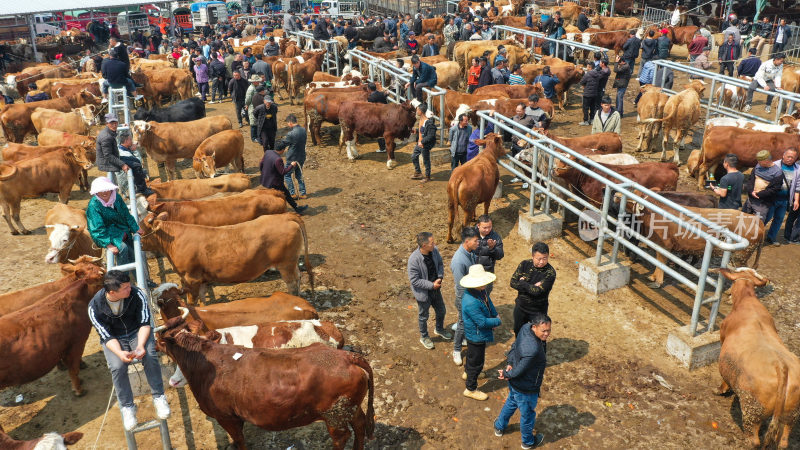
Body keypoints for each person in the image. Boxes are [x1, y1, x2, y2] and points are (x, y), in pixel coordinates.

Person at [88, 270, 170, 432]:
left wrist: (140, 346)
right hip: (114, 339)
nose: (130, 289)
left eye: (129, 285)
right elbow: (105, 336)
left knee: (150, 355)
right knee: (117, 366)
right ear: (112, 292)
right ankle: (127, 407)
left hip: (136, 332)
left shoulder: (137, 294)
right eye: (125, 288)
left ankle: (159, 396)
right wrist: (119, 353)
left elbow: (145, 323)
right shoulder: (94, 307)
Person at [494, 313, 551, 449]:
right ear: (535, 327)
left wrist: (510, 362)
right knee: (528, 415)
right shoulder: (533, 349)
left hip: (515, 385)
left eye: (549, 330)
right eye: (544, 331)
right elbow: (519, 370)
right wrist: (508, 373)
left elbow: (515, 346)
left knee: (511, 402)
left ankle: (499, 426)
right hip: (526, 388)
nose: (547, 334)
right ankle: (527, 442)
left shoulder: (525, 328)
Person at [460, 264, 500, 401]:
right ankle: (470, 388)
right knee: (477, 362)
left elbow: (489, 302)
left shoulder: (479, 291)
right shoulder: (471, 302)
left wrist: (495, 315)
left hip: (475, 334)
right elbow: (482, 322)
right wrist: (497, 322)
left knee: (472, 356)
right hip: (476, 335)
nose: (484, 284)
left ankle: (467, 372)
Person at [407, 232, 453, 350]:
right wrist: (431, 285)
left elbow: (440, 264)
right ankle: (424, 337)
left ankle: (439, 329)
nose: (435, 244)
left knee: (441, 310)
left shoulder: (435, 251)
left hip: (436, 290)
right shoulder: (414, 260)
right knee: (423, 316)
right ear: (423, 245)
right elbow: (415, 280)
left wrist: (440, 276)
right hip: (424, 293)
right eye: (432, 243)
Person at [86, 177, 141, 268]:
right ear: (96, 192)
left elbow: (126, 213)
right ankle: (121, 278)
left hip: (123, 229)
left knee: (133, 252)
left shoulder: (116, 197)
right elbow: (96, 229)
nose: (104, 192)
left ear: (111, 189)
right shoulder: (94, 206)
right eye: (101, 190)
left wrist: (135, 227)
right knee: (123, 248)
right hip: (108, 233)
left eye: (107, 189)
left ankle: (140, 277)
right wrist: (108, 244)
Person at [510, 242, 556, 336]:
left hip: (538, 311)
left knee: (539, 335)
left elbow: (537, 292)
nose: (542, 262)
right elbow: (513, 282)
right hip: (521, 307)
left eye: (545, 258)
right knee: (518, 332)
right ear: (533, 256)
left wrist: (523, 283)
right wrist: (532, 287)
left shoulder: (550, 273)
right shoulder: (524, 264)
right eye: (539, 259)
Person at [450, 226, 480, 366]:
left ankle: (463, 338)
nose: (478, 243)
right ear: (467, 241)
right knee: (462, 322)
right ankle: (456, 350)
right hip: (464, 296)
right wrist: (467, 301)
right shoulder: (458, 260)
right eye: (475, 241)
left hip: (471, 293)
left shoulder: (470, 252)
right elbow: (460, 284)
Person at [259, 142, 308, 214]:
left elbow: (261, 163)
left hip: (265, 179)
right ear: (282, 150)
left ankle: (296, 208)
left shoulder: (268, 152)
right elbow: (283, 172)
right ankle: (297, 208)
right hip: (275, 182)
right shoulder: (278, 159)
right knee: (286, 194)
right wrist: (292, 165)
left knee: (273, 195)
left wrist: (263, 172)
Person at [764, 148, 799, 245]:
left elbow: (797, 186)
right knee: (765, 218)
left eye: (793, 157)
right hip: (772, 198)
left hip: (784, 200)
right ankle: (755, 236)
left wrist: (796, 200)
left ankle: (771, 237)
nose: (790, 159)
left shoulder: (798, 169)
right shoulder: (774, 165)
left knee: (779, 219)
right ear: (783, 155)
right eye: (788, 156)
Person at [743, 150, 785, 224]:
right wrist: (751, 191)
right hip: (750, 199)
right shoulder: (757, 166)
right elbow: (751, 180)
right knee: (743, 220)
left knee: (758, 224)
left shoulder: (777, 172)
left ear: (767, 161)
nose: (758, 163)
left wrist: (759, 194)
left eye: (760, 161)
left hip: (762, 203)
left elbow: (774, 189)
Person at [276, 114, 307, 200]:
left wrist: (279, 142)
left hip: (292, 157)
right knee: (299, 174)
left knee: (287, 175)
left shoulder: (291, 134)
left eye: (287, 123)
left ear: (290, 123)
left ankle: (292, 193)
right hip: (302, 156)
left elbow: (284, 144)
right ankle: (303, 193)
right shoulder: (303, 130)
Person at [116, 131, 153, 196]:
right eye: (130, 139)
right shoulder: (124, 154)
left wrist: (131, 149)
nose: (132, 141)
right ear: (126, 141)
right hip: (127, 183)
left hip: (127, 179)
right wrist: (134, 150)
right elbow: (138, 162)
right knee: (138, 167)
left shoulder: (121, 148)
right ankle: (142, 190)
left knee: (142, 171)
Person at [474, 214, 504, 295]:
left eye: (490, 227)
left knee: (485, 296)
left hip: (487, 273)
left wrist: (492, 248)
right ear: (478, 225)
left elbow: (500, 255)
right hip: (473, 273)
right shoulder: (472, 235)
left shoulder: (495, 237)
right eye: (485, 228)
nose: (487, 230)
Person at [410, 103, 437, 182]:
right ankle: (418, 172)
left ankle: (427, 177)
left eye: (417, 110)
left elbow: (431, 135)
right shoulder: (421, 120)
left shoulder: (429, 123)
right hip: (419, 143)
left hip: (424, 144)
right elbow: (423, 131)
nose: (416, 111)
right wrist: (416, 131)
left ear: (421, 111)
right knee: (414, 156)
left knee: (426, 161)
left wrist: (422, 142)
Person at [367, 83, 388, 152]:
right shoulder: (382, 93)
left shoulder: (371, 98)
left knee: (379, 132)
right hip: (386, 113)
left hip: (378, 116)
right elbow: (386, 95)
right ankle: (388, 144)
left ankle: (382, 148)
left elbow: (370, 108)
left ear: (369, 89)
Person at [245, 75, 263, 141]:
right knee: (253, 122)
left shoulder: (257, 87)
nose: (258, 82)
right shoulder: (251, 89)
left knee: (257, 121)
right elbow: (248, 99)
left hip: (257, 106)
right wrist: (247, 105)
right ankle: (253, 137)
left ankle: (258, 135)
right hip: (252, 107)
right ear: (254, 82)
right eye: (257, 81)